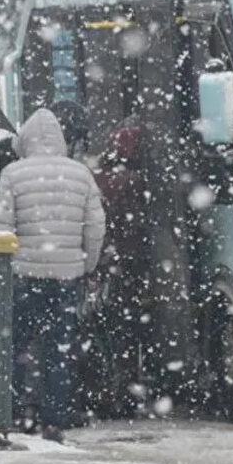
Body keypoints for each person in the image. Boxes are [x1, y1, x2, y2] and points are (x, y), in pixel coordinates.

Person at [0, 108, 105, 442]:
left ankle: (12, 413)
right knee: (58, 349)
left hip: (23, 274)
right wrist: (87, 265)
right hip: (67, 276)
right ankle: (53, 419)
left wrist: (7, 266)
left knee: (16, 345)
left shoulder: (12, 174)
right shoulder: (81, 174)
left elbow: (3, 228)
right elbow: (96, 226)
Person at [90, 123, 153, 417]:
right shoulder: (137, 181)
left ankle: (107, 389)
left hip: (107, 260)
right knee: (127, 329)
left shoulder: (98, 177)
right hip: (129, 262)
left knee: (108, 326)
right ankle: (126, 390)